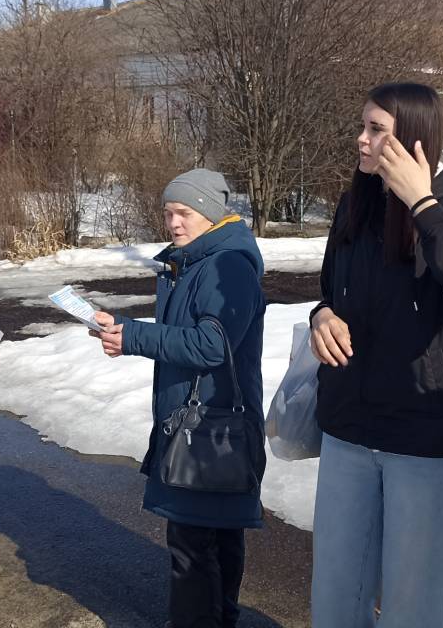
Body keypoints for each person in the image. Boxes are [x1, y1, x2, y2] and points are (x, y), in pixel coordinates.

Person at [307, 82, 443, 627]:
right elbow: (329, 289)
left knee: (411, 608)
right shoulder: (355, 205)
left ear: (414, 139)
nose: (361, 139)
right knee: (335, 598)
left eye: (376, 130)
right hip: (349, 427)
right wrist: (322, 317)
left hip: (423, 439)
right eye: (363, 126)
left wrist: (423, 204)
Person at [91, 168, 266, 628]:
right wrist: (126, 329)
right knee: (214, 537)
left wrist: (135, 337)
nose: (173, 223)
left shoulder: (227, 266)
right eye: (168, 212)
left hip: (211, 428)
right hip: (201, 421)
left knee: (194, 545)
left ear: (210, 213)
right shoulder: (193, 262)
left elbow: (212, 345)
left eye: (184, 212)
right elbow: (187, 335)